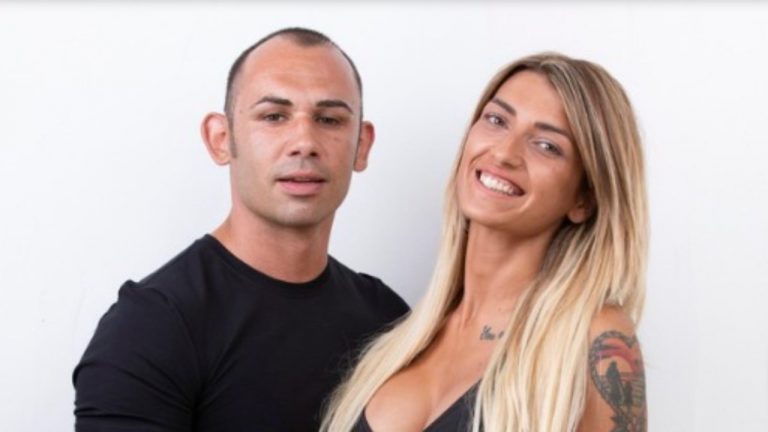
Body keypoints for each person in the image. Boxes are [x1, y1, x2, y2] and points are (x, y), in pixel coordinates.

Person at [73, 27, 409, 432]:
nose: (304, 141)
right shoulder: (151, 326)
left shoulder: (386, 319)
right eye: (274, 116)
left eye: (328, 119)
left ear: (361, 146)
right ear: (221, 139)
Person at [322, 53, 648, 432]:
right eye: (496, 120)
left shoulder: (596, 339)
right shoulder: (402, 338)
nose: (504, 153)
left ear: (584, 199)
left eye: (547, 145)